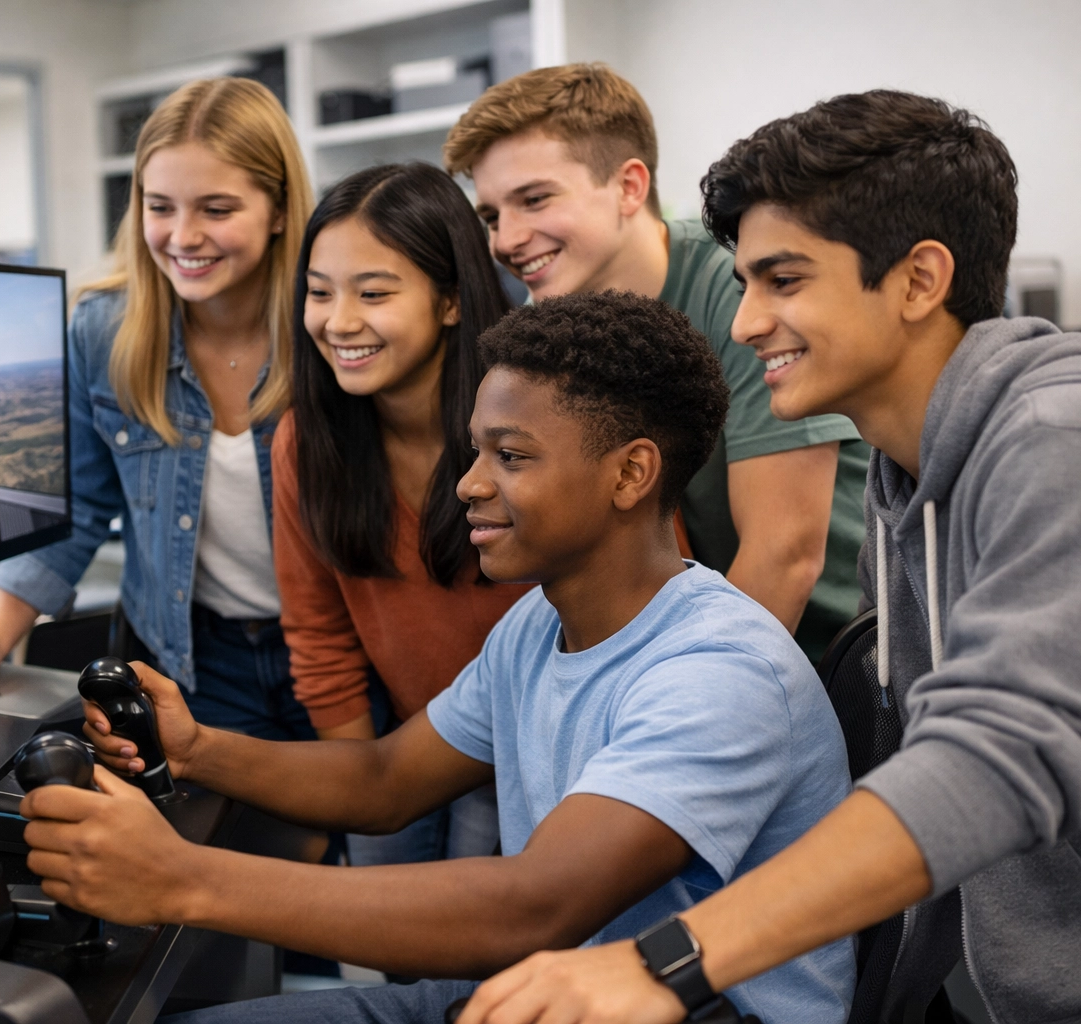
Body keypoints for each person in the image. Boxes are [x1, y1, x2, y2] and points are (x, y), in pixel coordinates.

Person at [15, 291, 856, 1024]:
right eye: (477, 451)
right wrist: (198, 749)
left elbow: (534, 907)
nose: (468, 484)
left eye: (510, 457)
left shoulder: (718, 671)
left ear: (631, 474)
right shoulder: (536, 625)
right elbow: (386, 780)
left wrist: (181, 880)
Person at [455, 91, 1081, 1024]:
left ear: (919, 280)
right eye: (745, 284)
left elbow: (996, 756)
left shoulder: (1050, 439)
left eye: (783, 280)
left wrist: (668, 964)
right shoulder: (908, 476)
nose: (746, 324)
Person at [0, 77, 316, 739]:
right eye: (160, 206)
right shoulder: (105, 329)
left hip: (333, 650)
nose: (183, 236)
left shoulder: (331, 325)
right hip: (188, 656)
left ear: (279, 209)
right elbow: (77, 507)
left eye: (217, 209)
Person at [444, 63, 866, 661]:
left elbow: (786, 555)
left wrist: (674, 689)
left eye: (534, 200)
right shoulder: (546, 327)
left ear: (629, 187)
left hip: (817, 658)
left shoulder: (742, 295)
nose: (506, 240)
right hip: (679, 639)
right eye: (491, 216)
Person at [276, 162, 531, 869]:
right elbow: (319, 635)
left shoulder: (539, 422)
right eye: (319, 292)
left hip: (531, 754)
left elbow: (634, 609)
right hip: (397, 745)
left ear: (450, 301)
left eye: (374, 293)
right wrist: (369, 790)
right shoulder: (307, 441)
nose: (339, 321)